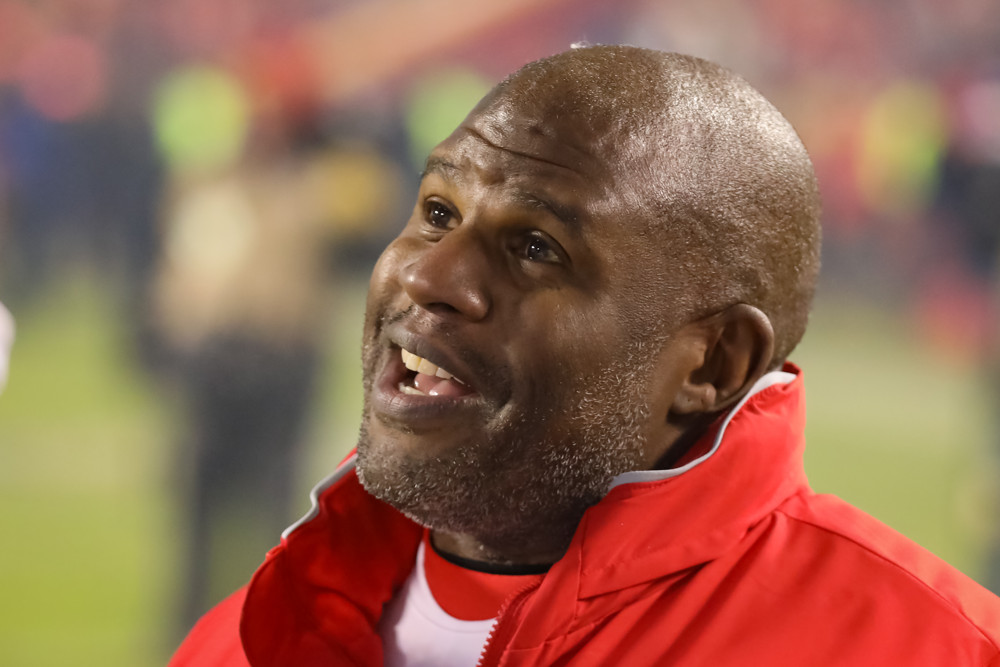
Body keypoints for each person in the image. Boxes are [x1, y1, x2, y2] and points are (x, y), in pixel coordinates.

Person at [170, 45, 1000, 666]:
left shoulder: (934, 648)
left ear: (712, 363)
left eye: (535, 247)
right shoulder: (237, 642)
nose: (428, 275)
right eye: (437, 211)